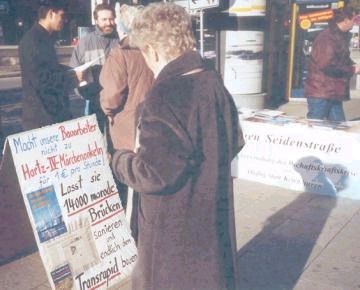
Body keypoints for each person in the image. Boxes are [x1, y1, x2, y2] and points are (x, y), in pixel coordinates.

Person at [109, 3, 244, 290]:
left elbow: (154, 174)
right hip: (209, 222)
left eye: (144, 52)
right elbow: (235, 141)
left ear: (153, 50)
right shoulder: (211, 81)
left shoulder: (164, 95)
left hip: (172, 234)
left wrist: (119, 160)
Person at [99, 4, 153, 233]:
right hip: (151, 127)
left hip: (126, 132)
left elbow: (110, 97)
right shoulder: (152, 51)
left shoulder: (120, 55)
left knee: (127, 185)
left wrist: (107, 112)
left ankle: (129, 236)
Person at [18, 0, 83, 130]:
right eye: (62, 16)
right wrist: (72, 77)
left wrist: (73, 71)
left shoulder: (44, 37)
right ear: (51, 13)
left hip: (51, 113)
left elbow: (52, 68)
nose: (64, 21)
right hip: (41, 117)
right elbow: (41, 80)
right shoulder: (33, 40)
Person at [304, 6, 360, 122]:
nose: (355, 23)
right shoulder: (327, 38)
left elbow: (342, 58)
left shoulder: (340, 36)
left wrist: (354, 65)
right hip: (321, 92)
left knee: (339, 130)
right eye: (354, 20)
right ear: (345, 20)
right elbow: (326, 65)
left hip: (333, 92)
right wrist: (352, 70)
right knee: (314, 128)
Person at [69, 3, 119, 131]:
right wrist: (84, 93)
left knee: (116, 141)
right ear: (96, 20)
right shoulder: (85, 43)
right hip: (93, 101)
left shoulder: (121, 41)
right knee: (95, 141)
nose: (109, 23)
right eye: (104, 19)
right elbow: (74, 72)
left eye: (111, 19)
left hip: (118, 101)